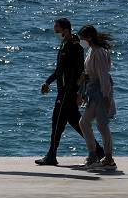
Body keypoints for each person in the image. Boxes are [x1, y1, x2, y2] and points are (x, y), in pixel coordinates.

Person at [36, 18, 103, 166]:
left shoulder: (75, 46)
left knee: (57, 121)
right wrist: (48, 81)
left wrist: (78, 92)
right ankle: (98, 150)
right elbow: (60, 69)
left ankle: (51, 155)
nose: (56, 34)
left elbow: (79, 70)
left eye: (57, 31)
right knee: (75, 122)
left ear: (66, 30)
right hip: (63, 90)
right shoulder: (64, 44)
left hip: (68, 92)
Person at [77, 24, 118, 170]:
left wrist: (106, 96)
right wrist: (80, 91)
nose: (81, 41)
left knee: (98, 124)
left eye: (82, 38)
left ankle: (104, 158)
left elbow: (103, 75)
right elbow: (87, 73)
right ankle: (100, 157)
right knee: (92, 124)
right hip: (92, 90)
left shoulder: (99, 52)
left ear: (89, 38)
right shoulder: (90, 51)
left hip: (100, 91)